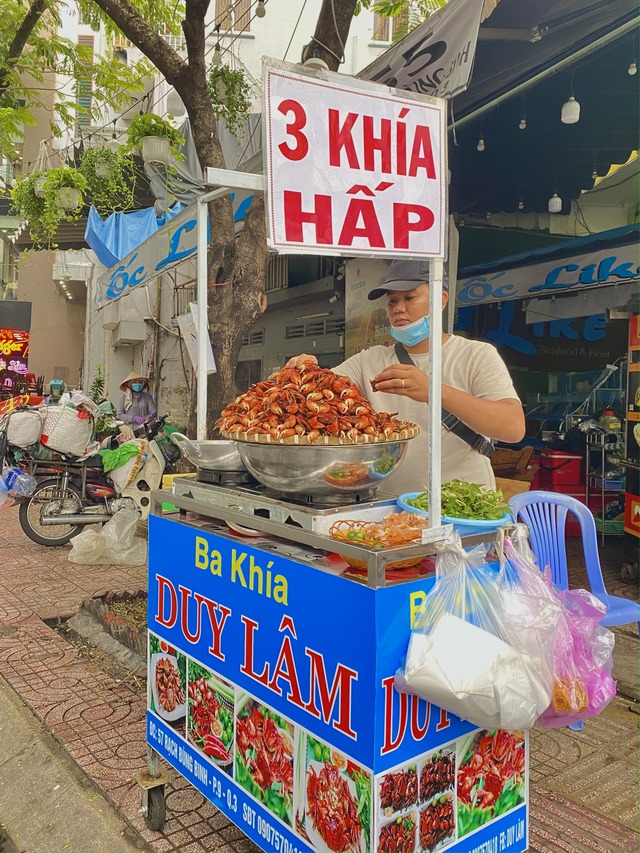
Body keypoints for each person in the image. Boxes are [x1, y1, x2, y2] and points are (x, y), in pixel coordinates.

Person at [287, 259, 525, 495]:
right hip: (390, 509)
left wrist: (433, 390)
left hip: (461, 509)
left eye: (409, 298)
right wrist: (307, 369)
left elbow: (513, 428)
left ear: (440, 300)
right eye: (392, 301)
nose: (398, 308)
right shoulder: (369, 360)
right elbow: (314, 391)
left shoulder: (476, 355)